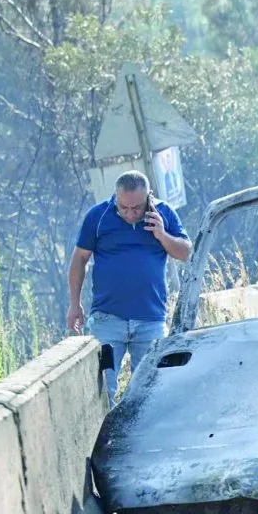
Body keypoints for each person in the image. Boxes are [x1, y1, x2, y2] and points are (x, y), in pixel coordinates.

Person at [67, 170, 191, 400]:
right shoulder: (98, 215)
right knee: (103, 393)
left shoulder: (163, 213)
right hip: (107, 320)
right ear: (116, 197)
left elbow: (185, 253)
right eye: (123, 207)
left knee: (150, 392)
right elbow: (79, 260)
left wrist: (162, 235)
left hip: (150, 321)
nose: (130, 213)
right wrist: (74, 304)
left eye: (136, 208)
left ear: (148, 198)